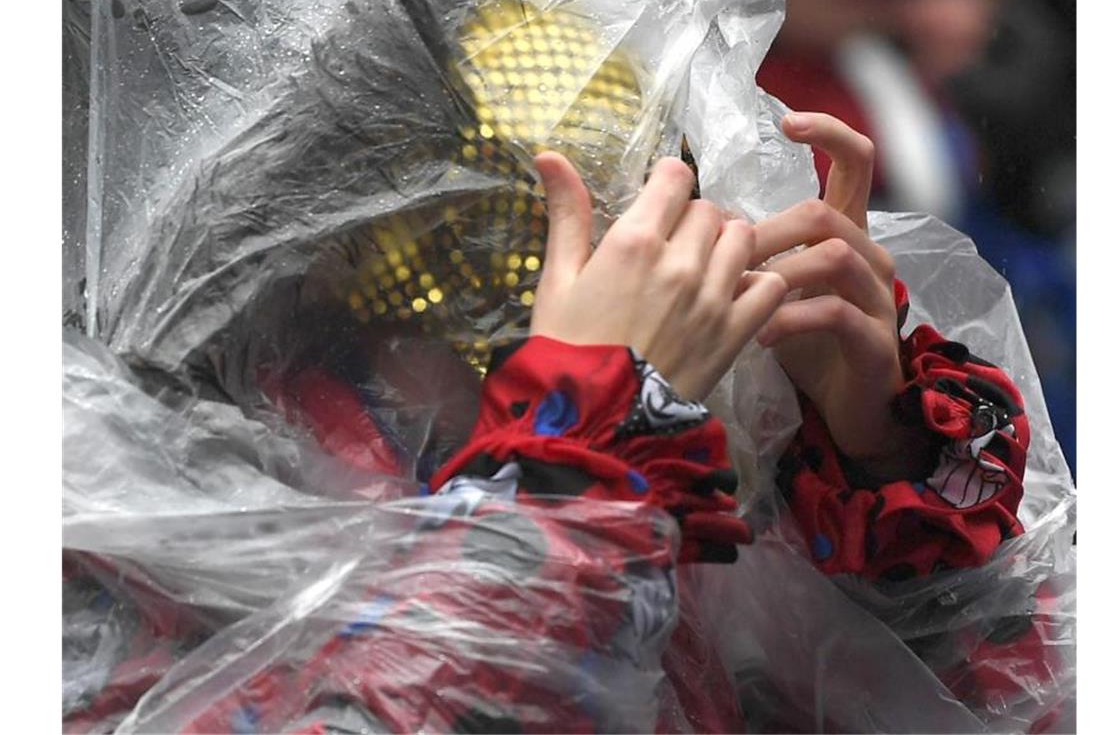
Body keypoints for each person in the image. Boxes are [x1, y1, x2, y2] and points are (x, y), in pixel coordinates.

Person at [61, 111, 1054, 734]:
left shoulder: (672, 474)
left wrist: (883, 486)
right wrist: (568, 482)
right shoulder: (113, 503)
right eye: (467, 242)